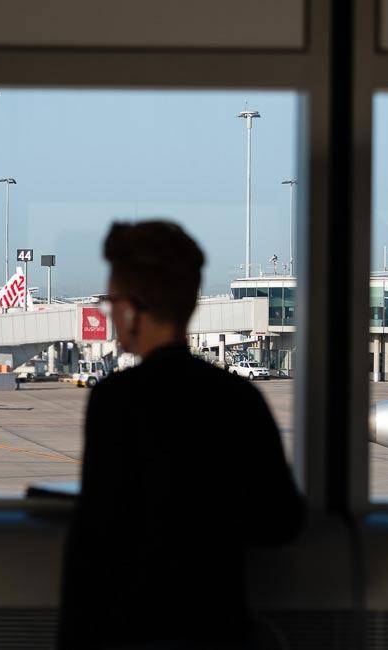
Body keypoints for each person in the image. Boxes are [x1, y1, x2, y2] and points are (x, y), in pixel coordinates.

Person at [58, 221, 304, 649]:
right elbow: (280, 523)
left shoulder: (117, 400)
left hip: (131, 632)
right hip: (217, 629)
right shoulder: (239, 398)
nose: (110, 313)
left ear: (133, 309)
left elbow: (94, 548)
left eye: (111, 301)